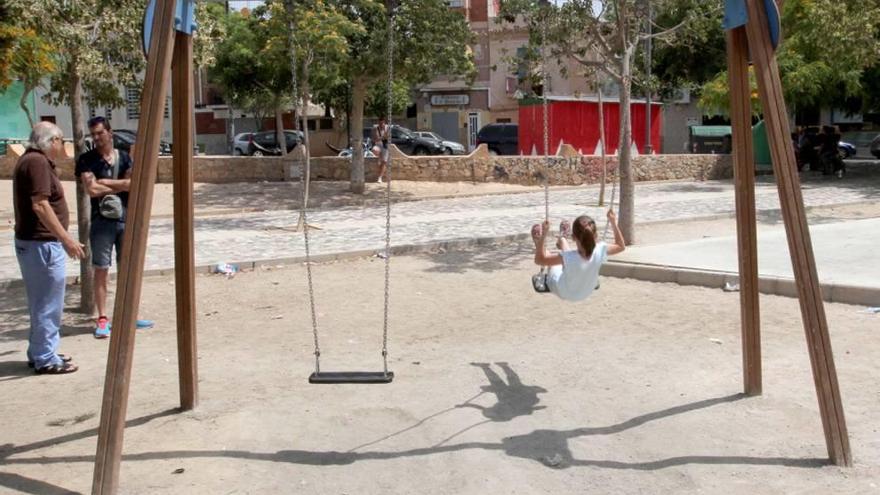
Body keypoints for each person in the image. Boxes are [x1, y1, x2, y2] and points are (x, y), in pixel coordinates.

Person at [13, 122, 85, 374]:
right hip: (41, 245)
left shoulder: (30, 161)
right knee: (48, 304)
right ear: (51, 141)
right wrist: (66, 239)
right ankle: (45, 357)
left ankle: (40, 350)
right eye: (60, 140)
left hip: (34, 244)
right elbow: (40, 205)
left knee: (40, 303)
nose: (61, 145)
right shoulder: (37, 163)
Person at [75, 116, 153, 338]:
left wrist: (106, 182)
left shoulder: (126, 157)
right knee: (101, 269)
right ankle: (102, 318)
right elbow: (91, 190)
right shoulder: (86, 160)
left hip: (125, 219)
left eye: (100, 133)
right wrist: (119, 185)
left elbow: (133, 184)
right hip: (101, 221)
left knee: (128, 268)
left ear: (110, 132)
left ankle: (128, 315)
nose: (97, 138)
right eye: (94, 134)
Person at [530, 209, 626, 302]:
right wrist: (613, 221)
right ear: (596, 235)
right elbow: (621, 246)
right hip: (586, 292)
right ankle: (562, 238)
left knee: (553, 261)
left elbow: (539, 260)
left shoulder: (567, 258)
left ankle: (539, 243)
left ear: (573, 238)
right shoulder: (600, 250)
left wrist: (544, 235)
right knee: (567, 254)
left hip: (563, 291)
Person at [371, 117, 390, 183]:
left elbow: (388, 137)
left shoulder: (387, 128)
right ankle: (379, 158)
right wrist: (383, 137)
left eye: (382, 123)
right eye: (380, 123)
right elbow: (376, 139)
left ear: (384, 122)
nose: (381, 124)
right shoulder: (376, 128)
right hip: (378, 145)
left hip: (385, 146)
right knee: (374, 150)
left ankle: (380, 177)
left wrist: (382, 137)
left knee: (384, 162)